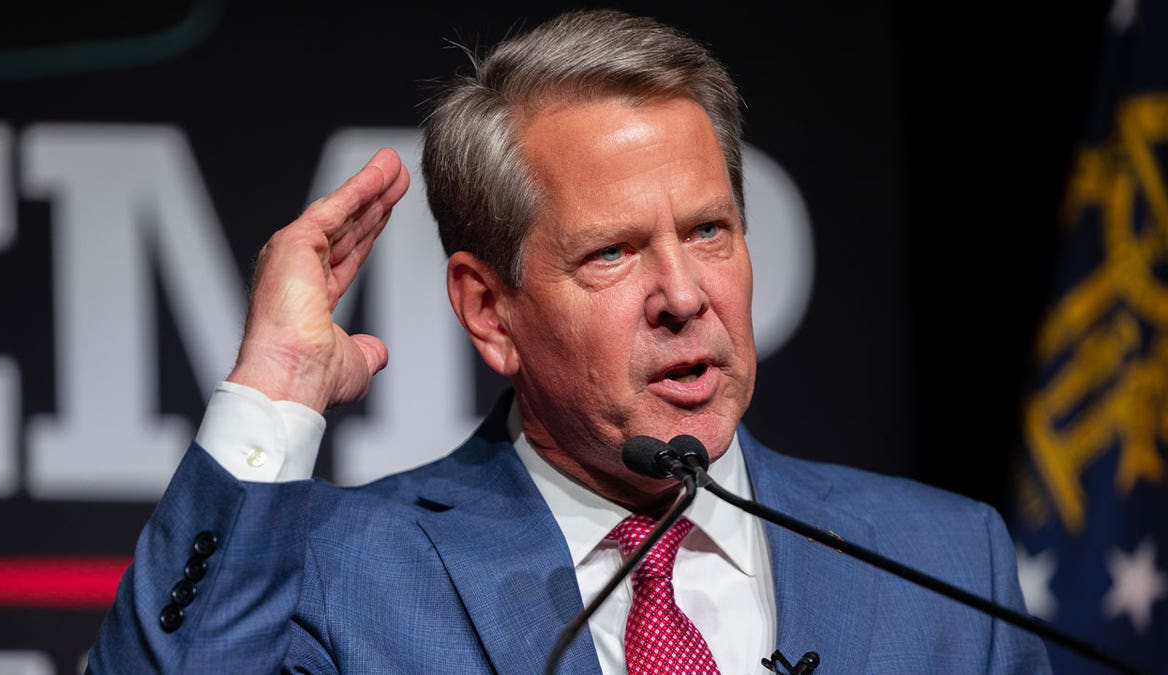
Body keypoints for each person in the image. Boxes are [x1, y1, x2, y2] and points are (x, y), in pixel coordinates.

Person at [86, 9, 1051, 674]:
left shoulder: (948, 564)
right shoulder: (341, 575)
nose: (684, 295)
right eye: (613, 253)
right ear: (488, 311)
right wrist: (278, 382)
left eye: (709, 230)